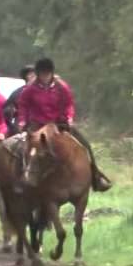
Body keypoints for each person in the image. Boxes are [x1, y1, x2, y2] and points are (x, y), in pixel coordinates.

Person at [17, 57, 112, 193]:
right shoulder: (30, 88)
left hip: (59, 124)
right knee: (22, 148)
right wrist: (22, 120)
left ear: (51, 73)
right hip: (37, 125)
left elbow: (69, 104)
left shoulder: (61, 87)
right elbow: (23, 105)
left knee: (85, 145)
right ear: (38, 74)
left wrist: (69, 117)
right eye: (42, 74)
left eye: (47, 74)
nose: (45, 77)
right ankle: (22, 178)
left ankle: (96, 177)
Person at [3, 64, 35, 135]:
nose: (33, 76)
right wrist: (11, 111)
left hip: (39, 124)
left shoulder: (44, 92)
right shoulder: (17, 93)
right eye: (30, 74)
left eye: (35, 74)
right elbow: (6, 110)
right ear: (25, 77)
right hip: (21, 126)